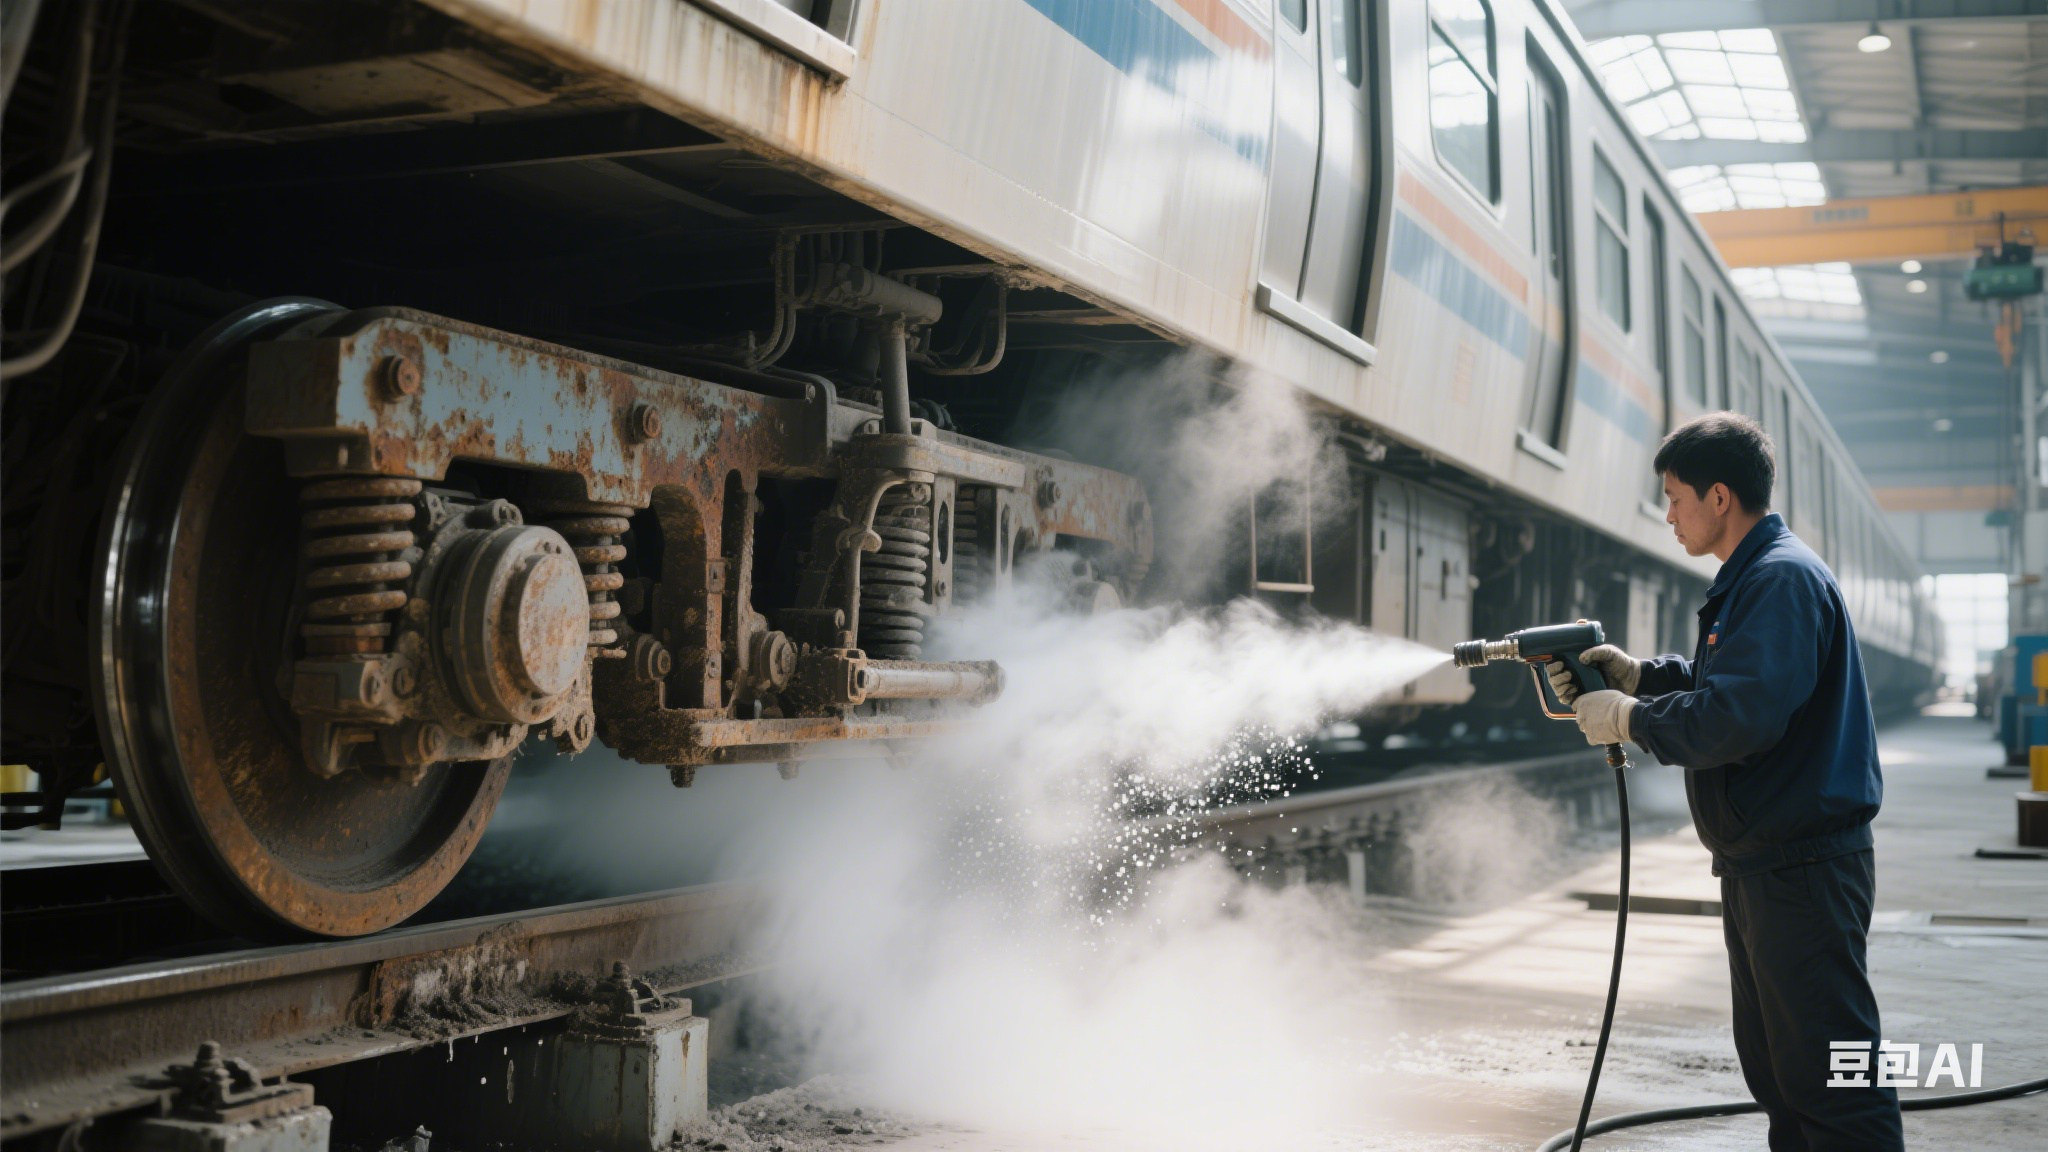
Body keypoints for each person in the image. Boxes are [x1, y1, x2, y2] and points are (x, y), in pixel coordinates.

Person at [1550, 412, 1904, 1152]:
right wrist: (1643, 678)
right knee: (1783, 1077)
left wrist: (1631, 719)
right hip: (1767, 865)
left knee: (1834, 1085)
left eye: (1675, 498)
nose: (1669, 515)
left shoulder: (1778, 580)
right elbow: (1734, 683)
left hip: (1801, 869)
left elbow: (1741, 717)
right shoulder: (1757, 577)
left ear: (1719, 497)